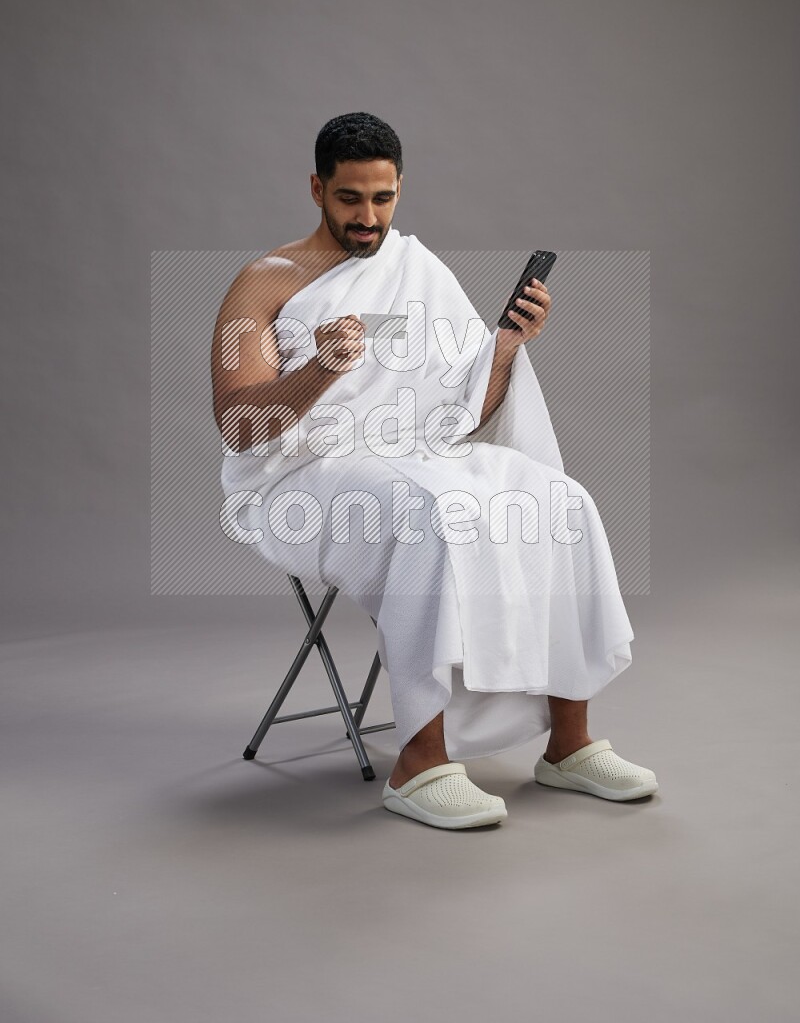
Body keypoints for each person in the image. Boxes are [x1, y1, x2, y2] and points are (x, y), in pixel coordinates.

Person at [210, 111, 658, 830]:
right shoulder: (264, 283)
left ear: (399, 189)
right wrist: (320, 370)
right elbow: (237, 424)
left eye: (383, 198)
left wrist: (506, 345)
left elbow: (461, 413)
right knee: (428, 513)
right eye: (350, 198)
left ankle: (568, 745)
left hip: (416, 452)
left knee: (559, 500)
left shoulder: (417, 269)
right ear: (316, 188)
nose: (368, 216)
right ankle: (420, 760)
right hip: (302, 474)